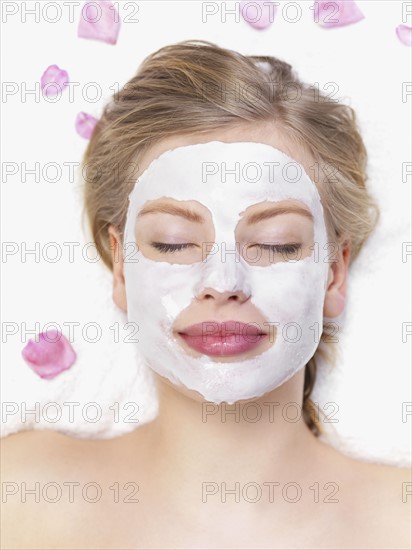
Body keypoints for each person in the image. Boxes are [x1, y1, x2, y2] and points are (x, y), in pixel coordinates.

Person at [2, 40, 411, 550]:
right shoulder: (20, 498)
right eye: (173, 242)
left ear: (333, 273)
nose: (223, 282)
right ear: (122, 268)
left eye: (274, 243)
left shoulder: (402, 523)